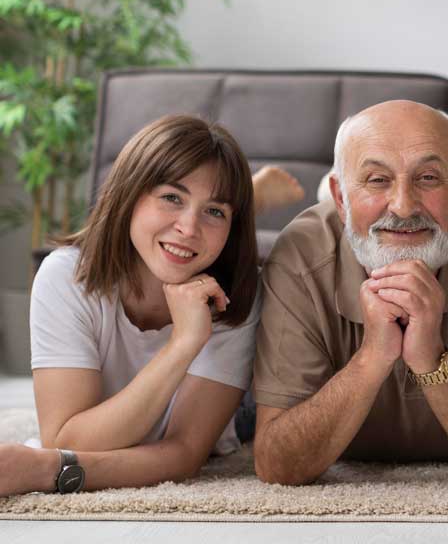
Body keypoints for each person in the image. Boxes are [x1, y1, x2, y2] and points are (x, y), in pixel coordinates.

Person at [252, 100, 448, 485]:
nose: (404, 205)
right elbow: (276, 466)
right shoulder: (298, 254)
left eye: (428, 178)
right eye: (377, 180)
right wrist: (372, 356)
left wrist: (430, 357)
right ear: (340, 199)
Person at [0, 115, 299, 496]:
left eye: (215, 211)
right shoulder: (66, 277)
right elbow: (65, 436)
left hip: (238, 410)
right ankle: (251, 196)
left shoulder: (234, 293)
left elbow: (185, 455)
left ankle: (249, 201)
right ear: (128, 194)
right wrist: (181, 346)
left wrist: (50, 470)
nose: (188, 227)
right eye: (171, 197)